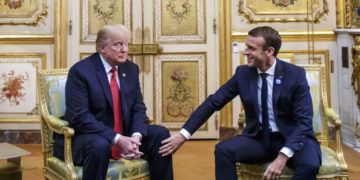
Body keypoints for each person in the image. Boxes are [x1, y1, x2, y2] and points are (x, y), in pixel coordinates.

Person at [160, 26, 321, 180]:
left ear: (269, 51)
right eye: (246, 47)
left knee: (310, 164)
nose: (245, 52)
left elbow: (304, 122)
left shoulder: (295, 75)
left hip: (292, 137)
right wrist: (183, 135)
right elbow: (213, 102)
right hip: (258, 139)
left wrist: (283, 155)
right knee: (223, 150)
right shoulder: (243, 74)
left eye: (251, 48)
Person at [54, 24, 173, 180]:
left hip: (124, 133)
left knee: (160, 134)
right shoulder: (81, 72)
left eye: (126, 44)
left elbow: (138, 107)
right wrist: (117, 139)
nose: (124, 49)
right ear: (101, 48)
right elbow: (80, 116)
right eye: (118, 44)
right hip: (87, 137)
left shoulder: (130, 69)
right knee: (100, 145)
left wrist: (136, 137)